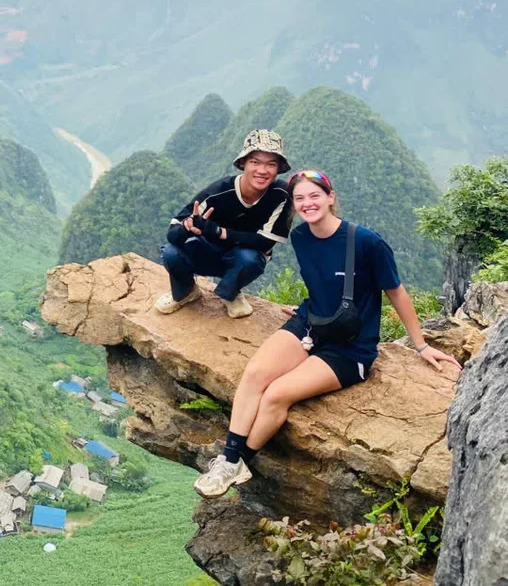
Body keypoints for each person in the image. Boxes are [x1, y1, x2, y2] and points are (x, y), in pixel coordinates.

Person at [193, 169, 462, 498]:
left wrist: (420, 346)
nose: (308, 204)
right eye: (300, 199)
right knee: (254, 374)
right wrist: (312, 306)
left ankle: (241, 462)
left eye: (314, 196)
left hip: (350, 348)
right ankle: (227, 460)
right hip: (310, 322)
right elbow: (319, 279)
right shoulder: (301, 238)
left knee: (277, 393)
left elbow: (397, 293)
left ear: (331, 197)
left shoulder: (366, 242)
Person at [155, 129, 293, 319]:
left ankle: (231, 292)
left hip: (240, 259)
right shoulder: (219, 191)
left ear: (278, 169)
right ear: (243, 163)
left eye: (271, 164)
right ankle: (185, 292)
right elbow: (172, 233)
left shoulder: (282, 195)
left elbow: (265, 242)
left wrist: (219, 231)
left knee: (251, 260)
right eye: (255, 162)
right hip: (206, 252)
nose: (262, 171)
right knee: (171, 252)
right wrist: (188, 228)